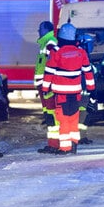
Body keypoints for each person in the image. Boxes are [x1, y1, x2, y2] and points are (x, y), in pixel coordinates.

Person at [40, 23, 95, 155]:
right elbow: (88, 72)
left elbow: (49, 72)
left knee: (63, 119)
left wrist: (45, 88)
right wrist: (91, 88)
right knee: (73, 118)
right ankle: (74, 144)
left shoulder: (56, 52)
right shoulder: (81, 52)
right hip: (76, 92)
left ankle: (65, 148)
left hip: (61, 93)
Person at [34, 21, 59, 149]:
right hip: (44, 84)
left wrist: (47, 84)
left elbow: (52, 64)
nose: (38, 31)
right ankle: (52, 143)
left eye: (40, 28)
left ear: (46, 29)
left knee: (51, 113)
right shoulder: (46, 42)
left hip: (47, 84)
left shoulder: (50, 42)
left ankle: (54, 144)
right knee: (49, 114)